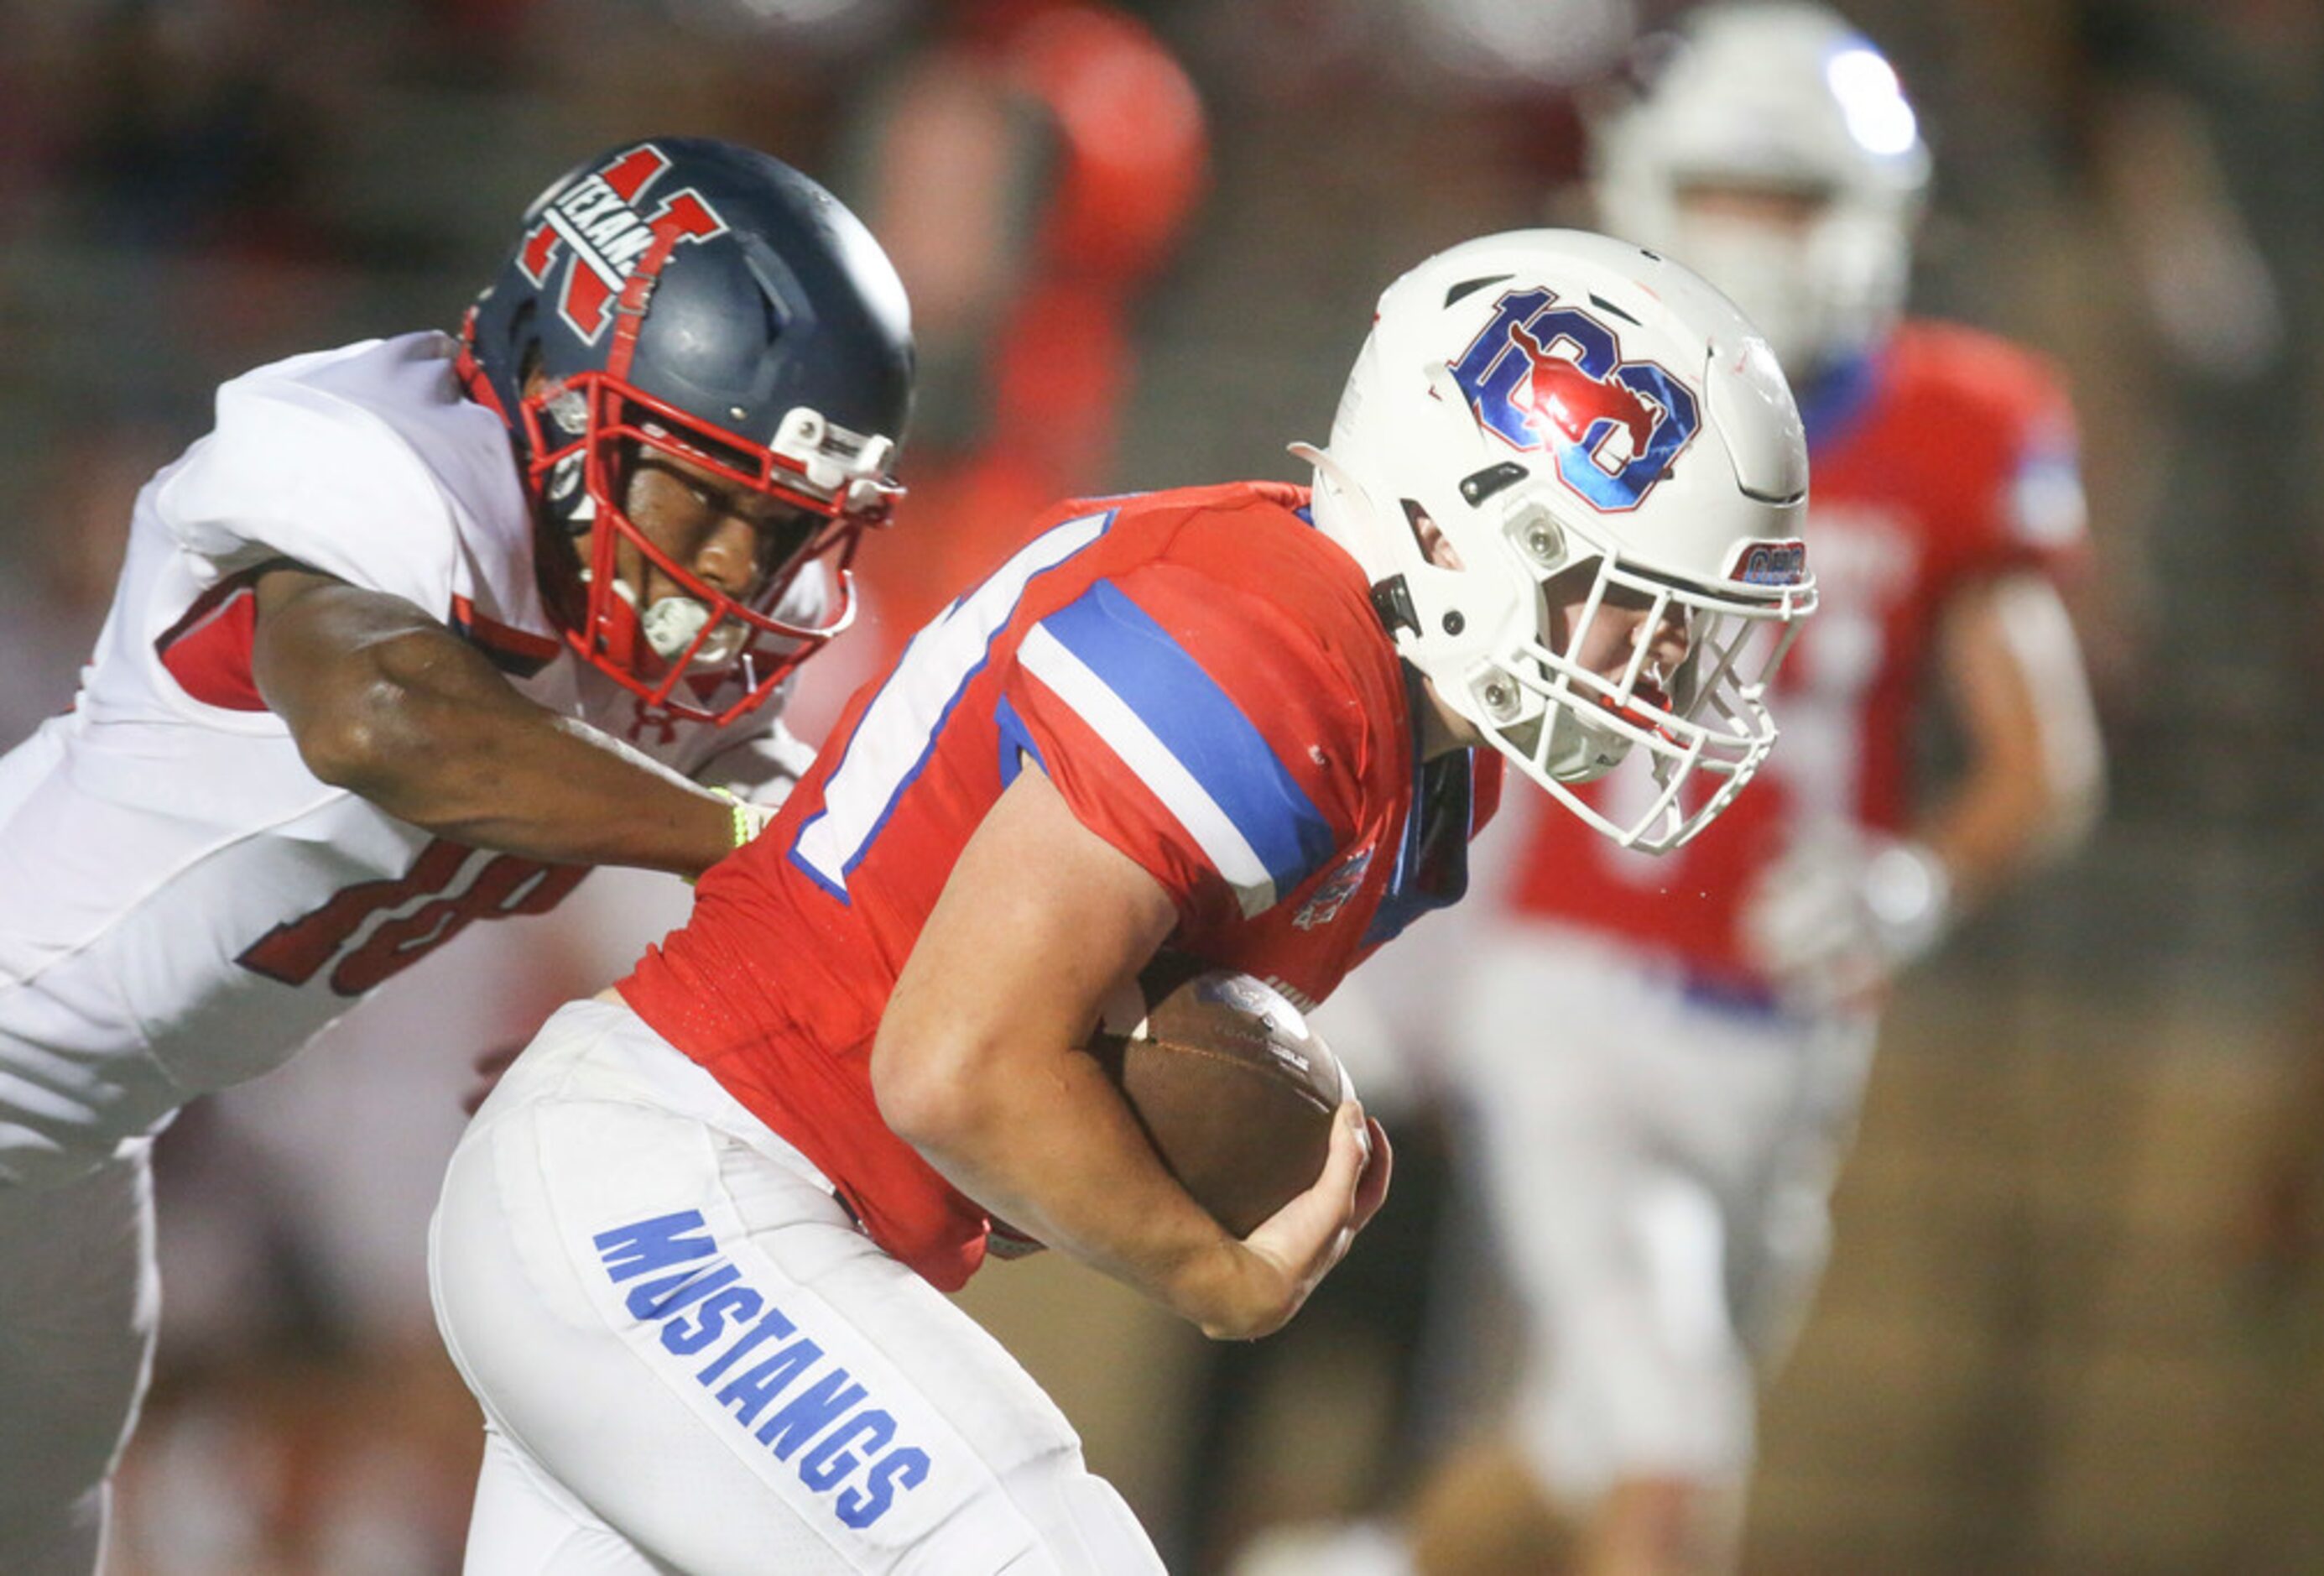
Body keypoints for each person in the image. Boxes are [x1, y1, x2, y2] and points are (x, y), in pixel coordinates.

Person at [425, 226, 1817, 1573]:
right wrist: (1215, 1272)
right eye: (1634, 596)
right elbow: (954, 1065)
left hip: (697, 1199)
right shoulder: (1272, 644)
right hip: (683, 1183)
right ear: (1461, 534)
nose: (1672, 664)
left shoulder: (1425, 768)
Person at [0, 134, 915, 1574]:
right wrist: (747, 842)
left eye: (789, 519)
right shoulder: (381, 452)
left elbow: (845, 879)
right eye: (709, 495)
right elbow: (382, 716)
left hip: (84, 1127)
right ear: (557, 408)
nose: (740, 568)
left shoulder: (682, 647)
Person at [1407, 8, 2108, 1574]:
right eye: (1735, 189)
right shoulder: (1558, 403)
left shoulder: (1962, 422)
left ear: (1885, 217)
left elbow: (2043, 764)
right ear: (1647, 188)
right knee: (1672, 1453)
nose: (1765, 235)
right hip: (1574, 985)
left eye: (1801, 201)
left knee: (1583, 1437)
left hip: (1795, 1030)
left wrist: (1910, 881)